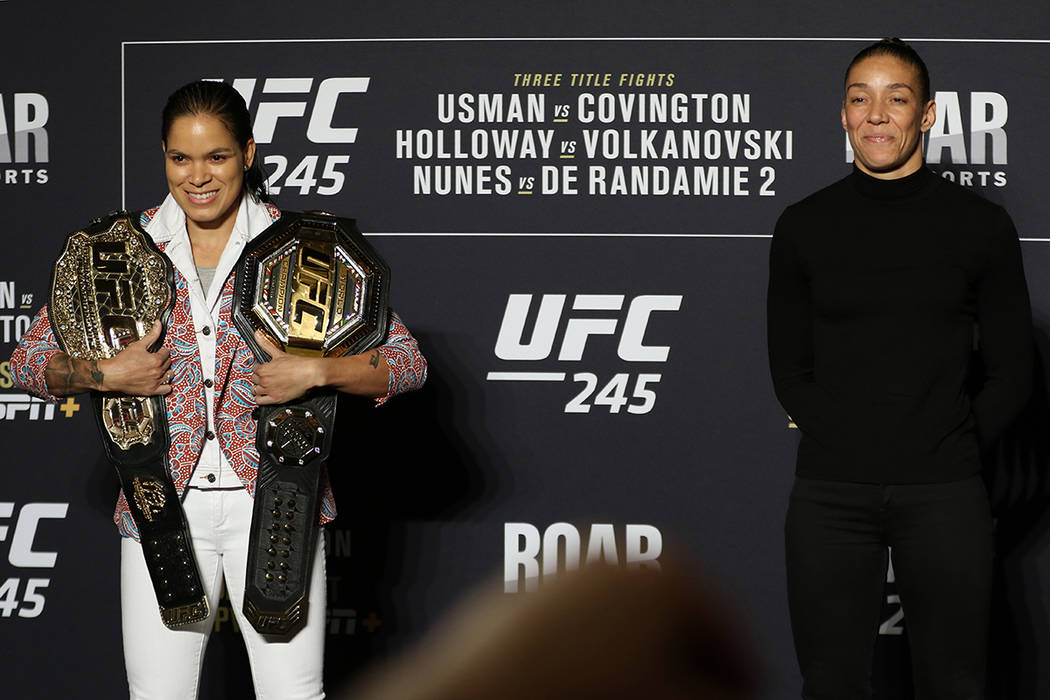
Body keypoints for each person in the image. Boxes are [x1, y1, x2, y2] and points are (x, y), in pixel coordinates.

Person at [10, 80, 427, 700]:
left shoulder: (307, 247)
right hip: (160, 503)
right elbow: (26, 364)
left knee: (293, 695)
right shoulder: (118, 249)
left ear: (249, 154)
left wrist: (316, 371)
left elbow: (405, 363)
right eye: (180, 158)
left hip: (279, 498)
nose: (197, 176)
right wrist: (103, 374)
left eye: (216, 157)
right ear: (163, 158)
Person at [767, 39, 1033, 699]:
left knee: (955, 683)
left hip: (943, 492)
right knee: (829, 683)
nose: (877, 114)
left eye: (897, 98)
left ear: (929, 115)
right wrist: (842, 440)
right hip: (831, 495)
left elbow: (1014, 370)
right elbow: (788, 367)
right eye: (861, 99)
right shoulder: (803, 226)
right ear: (843, 114)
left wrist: (954, 445)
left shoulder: (981, 227)